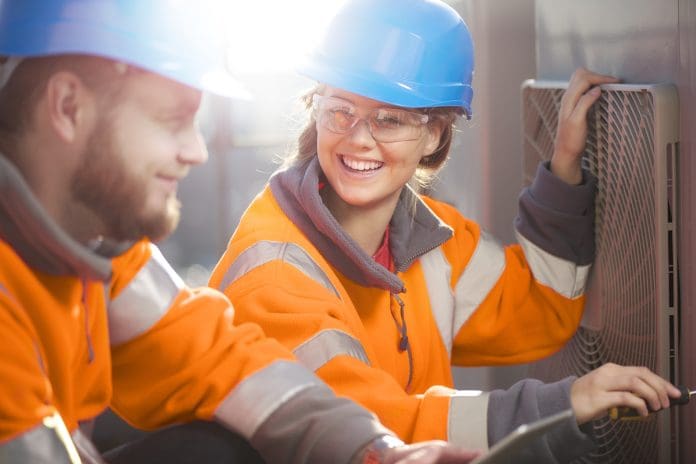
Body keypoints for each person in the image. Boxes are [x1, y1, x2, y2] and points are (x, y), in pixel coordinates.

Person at [0, 1, 485, 463]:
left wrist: (377, 452)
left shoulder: (94, 248)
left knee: (225, 447)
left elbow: (220, 360)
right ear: (67, 106)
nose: (197, 151)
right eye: (173, 121)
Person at [208, 0, 683, 461]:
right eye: (340, 110)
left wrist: (562, 169)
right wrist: (561, 406)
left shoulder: (429, 239)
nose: (357, 137)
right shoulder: (273, 271)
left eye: (389, 118)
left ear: (435, 134)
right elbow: (364, 432)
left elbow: (540, 305)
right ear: (316, 110)